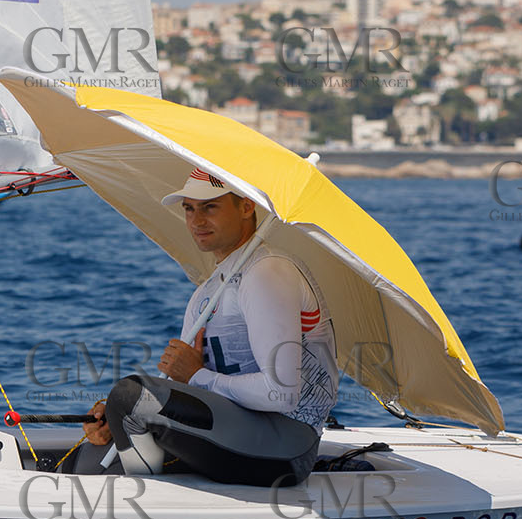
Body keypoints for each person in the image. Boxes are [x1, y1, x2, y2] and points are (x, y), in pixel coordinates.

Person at [67, 167, 338, 487]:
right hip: (234, 431)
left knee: (132, 396)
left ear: (247, 207)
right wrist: (113, 417)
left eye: (210, 206)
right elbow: (189, 390)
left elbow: (281, 394)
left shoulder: (267, 273)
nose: (196, 220)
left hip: (286, 447)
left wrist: (195, 377)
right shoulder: (206, 294)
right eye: (189, 208)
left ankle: (145, 511)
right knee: (86, 457)